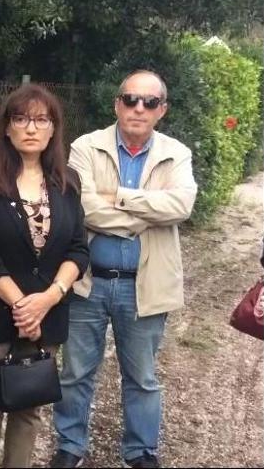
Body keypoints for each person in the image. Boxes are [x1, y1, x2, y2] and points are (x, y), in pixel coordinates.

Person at [50, 70, 197, 468]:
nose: (138, 108)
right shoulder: (86, 146)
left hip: (145, 286)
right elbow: (81, 207)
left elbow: (181, 206)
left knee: (143, 378)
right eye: (130, 99)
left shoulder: (176, 153)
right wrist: (147, 211)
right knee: (76, 372)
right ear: (117, 103)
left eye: (149, 102)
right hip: (88, 282)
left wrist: (120, 198)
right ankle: (70, 445)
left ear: (161, 110)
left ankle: (140, 452)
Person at [0, 84, 89, 467]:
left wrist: (48, 299)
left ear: (53, 129)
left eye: (41, 120)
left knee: (28, 408)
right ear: (6, 128)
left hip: (47, 314)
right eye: (21, 119)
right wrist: (22, 307)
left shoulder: (68, 183)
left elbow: (78, 249)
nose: (31, 128)